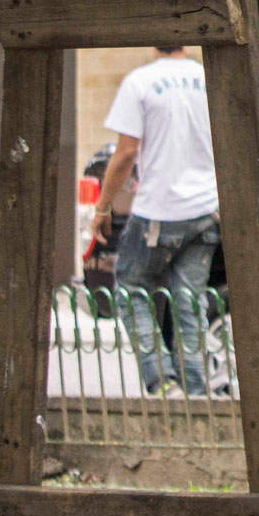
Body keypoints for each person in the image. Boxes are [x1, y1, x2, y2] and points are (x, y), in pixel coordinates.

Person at [94, 45, 221, 397]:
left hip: (160, 211)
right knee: (190, 299)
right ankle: (196, 390)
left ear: (153, 42)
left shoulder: (140, 82)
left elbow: (126, 153)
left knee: (131, 284)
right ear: (184, 42)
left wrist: (102, 207)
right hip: (206, 210)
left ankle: (161, 379)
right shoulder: (207, 78)